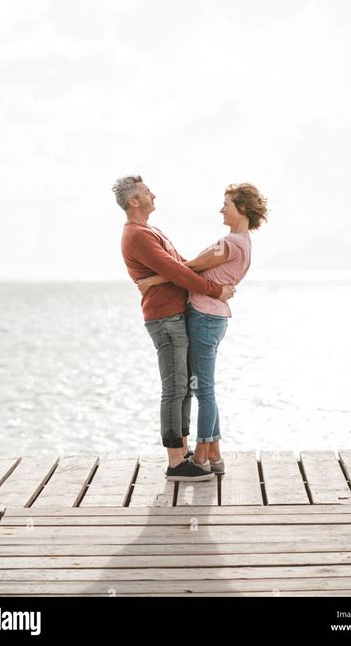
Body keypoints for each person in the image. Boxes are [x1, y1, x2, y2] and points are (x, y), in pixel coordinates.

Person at [137, 183, 268, 476]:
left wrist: (152, 281)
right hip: (215, 318)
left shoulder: (228, 243)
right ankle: (215, 454)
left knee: (202, 390)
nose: (221, 209)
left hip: (204, 318)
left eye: (227, 204)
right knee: (205, 389)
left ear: (242, 209)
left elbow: (187, 268)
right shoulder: (243, 242)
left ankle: (201, 457)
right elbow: (190, 268)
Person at [112, 175, 236, 483]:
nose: (154, 195)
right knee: (175, 388)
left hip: (176, 314)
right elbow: (176, 271)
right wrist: (214, 290)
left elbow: (181, 265)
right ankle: (176, 461)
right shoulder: (137, 235)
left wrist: (209, 270)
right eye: (146, 192)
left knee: (184, 389)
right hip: (163, 318)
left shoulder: (150, 231)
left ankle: (182, 454)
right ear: (134, 201)